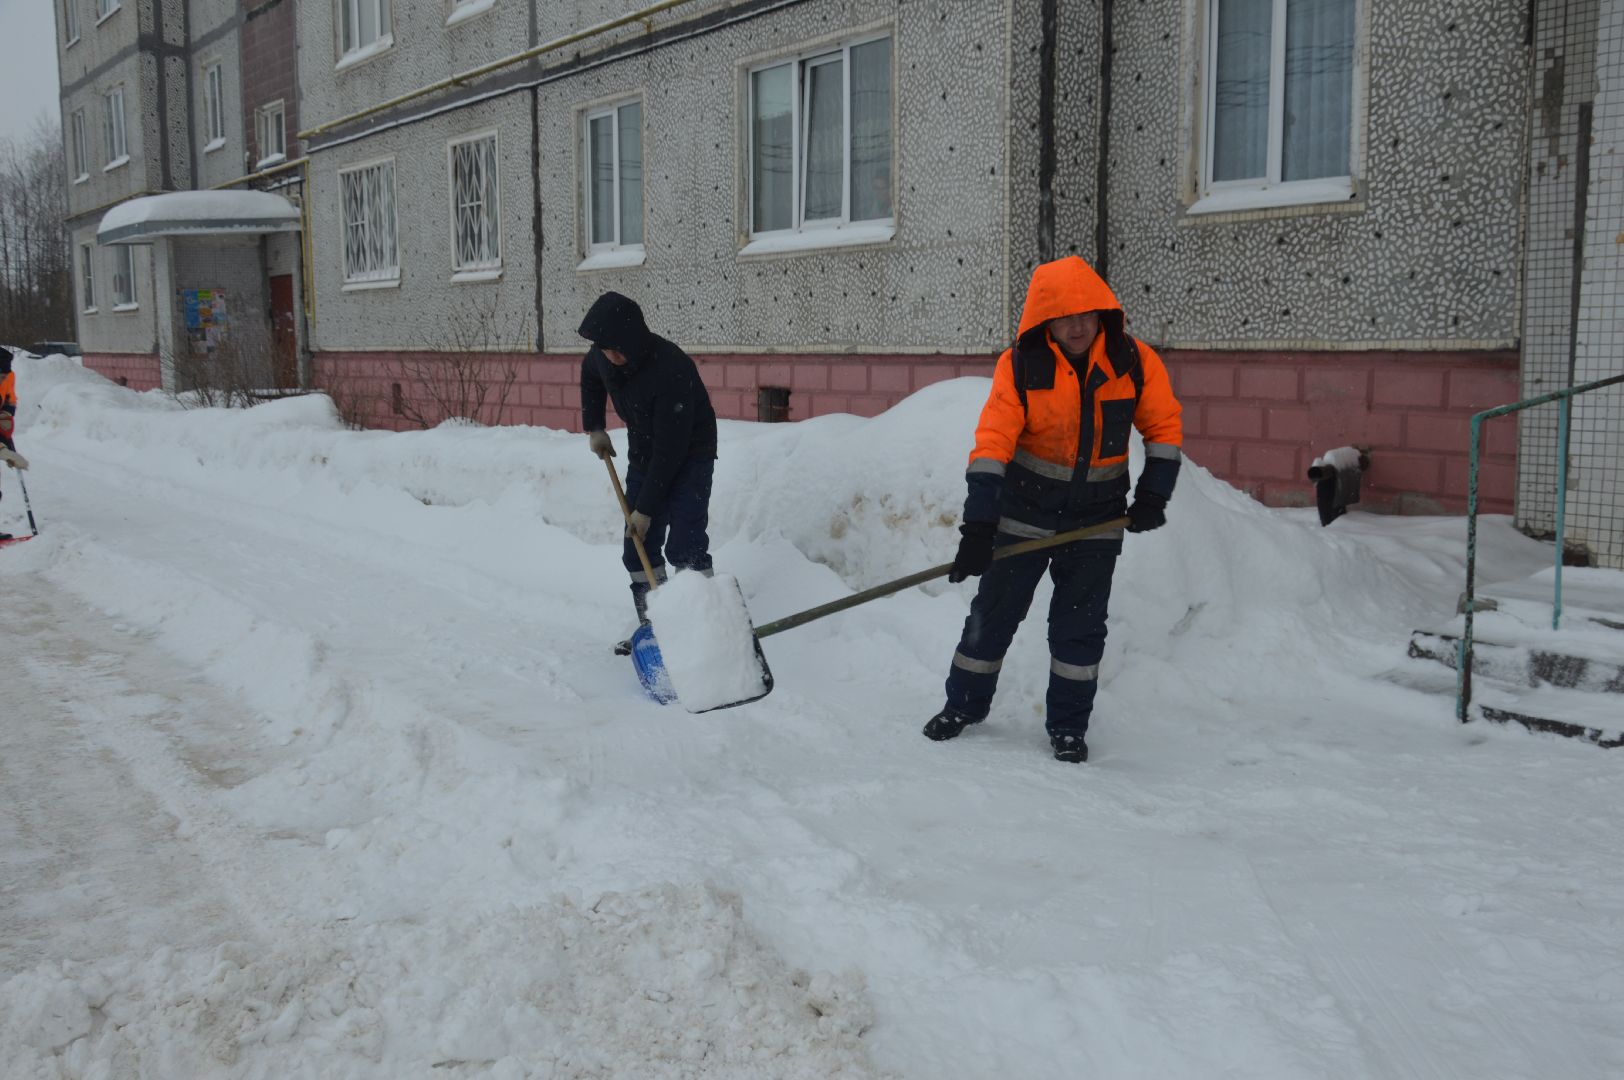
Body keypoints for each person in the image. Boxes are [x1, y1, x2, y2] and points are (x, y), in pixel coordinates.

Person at [923, 255, 1183, 763]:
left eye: (1087, 312)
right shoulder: (1021, 366)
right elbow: (992, 445)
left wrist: (1153, 493)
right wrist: (979, 526)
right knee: (993, 615)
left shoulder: (1132, 361)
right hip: (1024, 516)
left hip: (1097, 522)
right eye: (1065, 316)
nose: (1078, 325)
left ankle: (1068, 727)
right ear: (1045, 321)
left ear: (1102, 311)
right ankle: (964, 707)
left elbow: (1164, 428)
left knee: (1079, 629)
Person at [578, 291, 718, 648]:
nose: (609, 357)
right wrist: (595, 426)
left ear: (633, 342)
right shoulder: (606, 357)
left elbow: (671, 452)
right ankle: (659, 629)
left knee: (685, 546)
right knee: (636, 547)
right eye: (604, 349)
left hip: (689, 454)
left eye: (615, 349)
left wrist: (645, 509)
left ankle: (705, 632)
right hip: (645, 453)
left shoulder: (671, 369)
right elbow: (591, 374)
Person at [0, 346, 29, 541]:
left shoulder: (8, 376)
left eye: (4, 376)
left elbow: (11, 399)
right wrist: (3, 450)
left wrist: (7, 415)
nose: (2, 380)